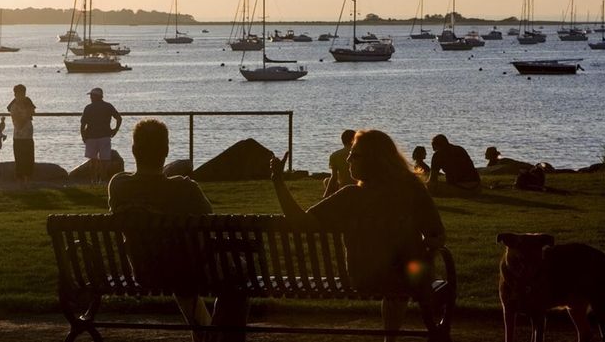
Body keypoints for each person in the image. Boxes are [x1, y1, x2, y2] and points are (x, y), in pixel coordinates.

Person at [270, 129, 445, 342]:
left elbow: (301, 223)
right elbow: (436, 232)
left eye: (355, 154)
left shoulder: (351, 196)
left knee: (393, 271)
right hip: (407, 279)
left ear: (374, 160)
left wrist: (278, 182)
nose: (348, 158)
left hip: (363, 278)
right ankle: (394, 339)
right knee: (405, 270)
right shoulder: (411, 188)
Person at [108, 119, 248, 342]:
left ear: (134, 150)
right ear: (166, 151)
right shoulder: (185, 188)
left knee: (180, 265)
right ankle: (218, 338)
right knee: (238, 275)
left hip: (146, 271)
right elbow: (210, 221)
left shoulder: (118, 185)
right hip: (188, 269)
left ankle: (208, 335)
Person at [80, 87, 122, 184]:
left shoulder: (88, 108)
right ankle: (102, 180)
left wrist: (83, 136)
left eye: (91, 95)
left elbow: (83, 124)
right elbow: (119, 118)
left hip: (91, 137)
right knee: (105, 161)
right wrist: (115, 130)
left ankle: (93, 180)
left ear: (96, 96)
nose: (90, 97)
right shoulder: (108, 106)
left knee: (93, 161)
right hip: (105, 136)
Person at [7, 84, 36, 187]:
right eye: (20, 94)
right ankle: (20, 181)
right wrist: (27, 115)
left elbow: (33, 111)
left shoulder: (27, 102)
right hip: (19, 138)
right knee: (20, 160)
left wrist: (29, 113)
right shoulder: (14, 106)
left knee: (29, 159)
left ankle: (27, 181)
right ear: (15, 94)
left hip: (28, 137)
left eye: (23, 94)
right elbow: (18, 124)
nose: (22, 96)